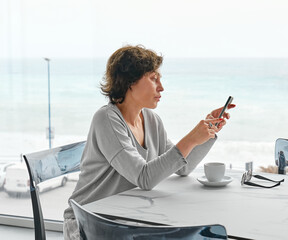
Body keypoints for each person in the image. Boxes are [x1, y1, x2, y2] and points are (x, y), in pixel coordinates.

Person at [63, 45, 235, 239]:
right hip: (89, 224)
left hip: (124, 219)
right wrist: (190, 138)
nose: (161, 87)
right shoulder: (106, 119)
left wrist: (206, 134)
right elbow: (144, 178)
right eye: (154, 79)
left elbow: (182, 168)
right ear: (130, 82)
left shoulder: (151, 120)